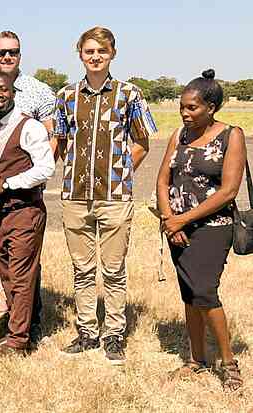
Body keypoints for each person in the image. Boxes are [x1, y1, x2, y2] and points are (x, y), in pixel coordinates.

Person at [53, 27, 156, 365]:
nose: (95, 57)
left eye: (102, 51)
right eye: (89, 51)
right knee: (82, 267)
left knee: (112, 270)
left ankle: (113, 333)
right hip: (74, 195)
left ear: (113, 53)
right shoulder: (65, 96)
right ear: (80, 54)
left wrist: (122, 172)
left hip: (114, 196)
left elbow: (142, 142)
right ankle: (86, 331)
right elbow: (61, 143)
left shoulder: (130, 94)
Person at [156, 70, 245, 391]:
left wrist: (184, 219)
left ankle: (229, 364)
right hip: (175, 229)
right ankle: (196, 360)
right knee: (190, 295)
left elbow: (229, 191)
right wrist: (170, 219)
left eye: (192, 107)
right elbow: (163, 179)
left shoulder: (231, 135)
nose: (184, 113)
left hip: (212, 228)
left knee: (205, 292)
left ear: (211, 107)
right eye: (182, 106)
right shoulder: (178, 135)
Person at [0, 31, 56, 339]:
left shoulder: (29, 125)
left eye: (3, 90)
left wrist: (7, 184)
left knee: (22, 271)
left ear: (13, 93)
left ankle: (21, 335)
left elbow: (46, 166)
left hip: (23, 206)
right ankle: (13, 324)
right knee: (6, 266)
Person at [0, 31, 56, 135]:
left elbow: (52, 137)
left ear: (19, 56)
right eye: (1, 53)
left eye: (13, 52)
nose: (7, 57)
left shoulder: (41, 92)